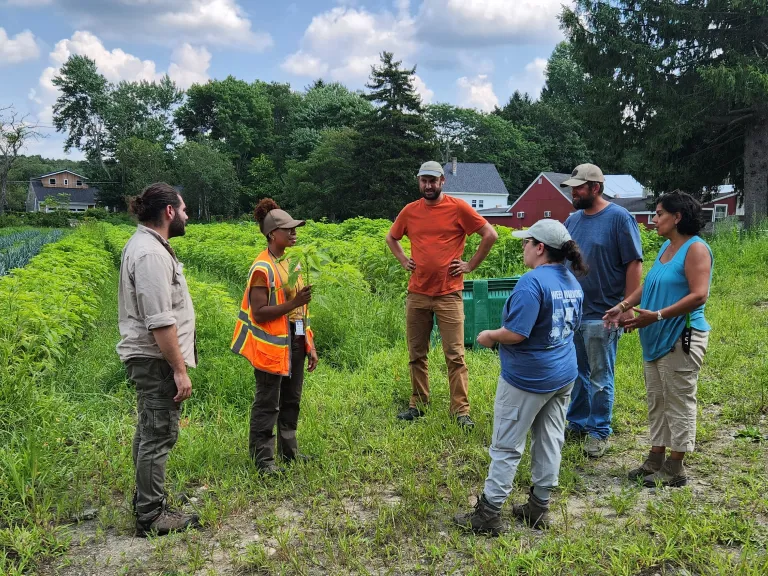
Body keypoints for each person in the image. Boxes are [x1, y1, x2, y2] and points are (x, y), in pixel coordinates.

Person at [454, 219, 586, 534]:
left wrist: (488, 335)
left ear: (540, 247)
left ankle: (488, 515)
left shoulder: (532, 282)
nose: (523, 247)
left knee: (506, 445)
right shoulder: (571, 280)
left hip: (529, 379)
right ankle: (538, 507)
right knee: (551, 438)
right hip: (563, 373)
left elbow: (516, 332)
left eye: (526, 242)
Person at [603, 191, 712, 488]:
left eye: (660, 213)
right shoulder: (667, 246)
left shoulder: (695, 249)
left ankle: (676, 466)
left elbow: (699, 294)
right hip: (655, 337)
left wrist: (659, 316)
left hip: (680, 336)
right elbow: (649, 284)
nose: (654, 219)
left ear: (677, 217)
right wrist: (622, 307)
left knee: (678, 401)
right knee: (657, 400)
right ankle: (655, 457)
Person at [386, 161, 498, 429]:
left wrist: (469, 265)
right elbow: (392, 238)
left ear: (442, 182)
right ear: (419, 181)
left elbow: (489, 234)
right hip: (417, 293)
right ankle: (418, 403)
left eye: (433, 181)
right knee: (416, 353)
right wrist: (403, 260)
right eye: (423, 180)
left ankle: (460, 411)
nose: (428, 185)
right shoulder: (410, 211)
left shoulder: (457, 208)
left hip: (449, 294)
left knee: (455, 355)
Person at [117, 182, 200, 537]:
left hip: (150, 358)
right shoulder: (150, 253)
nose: (185, 215)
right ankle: (151, 516)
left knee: (149, 428)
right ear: (169, 211)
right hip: (156, 359)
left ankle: (147, 499)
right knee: (158, 432)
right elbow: (160, 320)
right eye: (182, 209)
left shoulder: (148, 247)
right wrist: (179, 370)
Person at [561, 163, 644, 458]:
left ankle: (598, 431)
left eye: (579, 187)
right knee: (576, 373)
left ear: (595, 188)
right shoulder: (572, 220)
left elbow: (633, 262)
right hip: (573, 313)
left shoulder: (619, 218)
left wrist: (628, 306)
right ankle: (578, 422)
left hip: (604, 312)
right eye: (572, 186)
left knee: (599, 376)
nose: (573, 191)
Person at [231, 198, 319, 475]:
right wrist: (293, 304)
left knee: (292, 399)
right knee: (268, 403)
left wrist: (309, 343)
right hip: (271, 347)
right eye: (289, 230)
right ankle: (264, 460)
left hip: (294, 341)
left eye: (295, 229)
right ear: (272, 234)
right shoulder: (262, 268)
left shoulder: (292, 263)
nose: (294, 234)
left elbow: (301, 310)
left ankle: (290, 452)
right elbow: (259, 313)